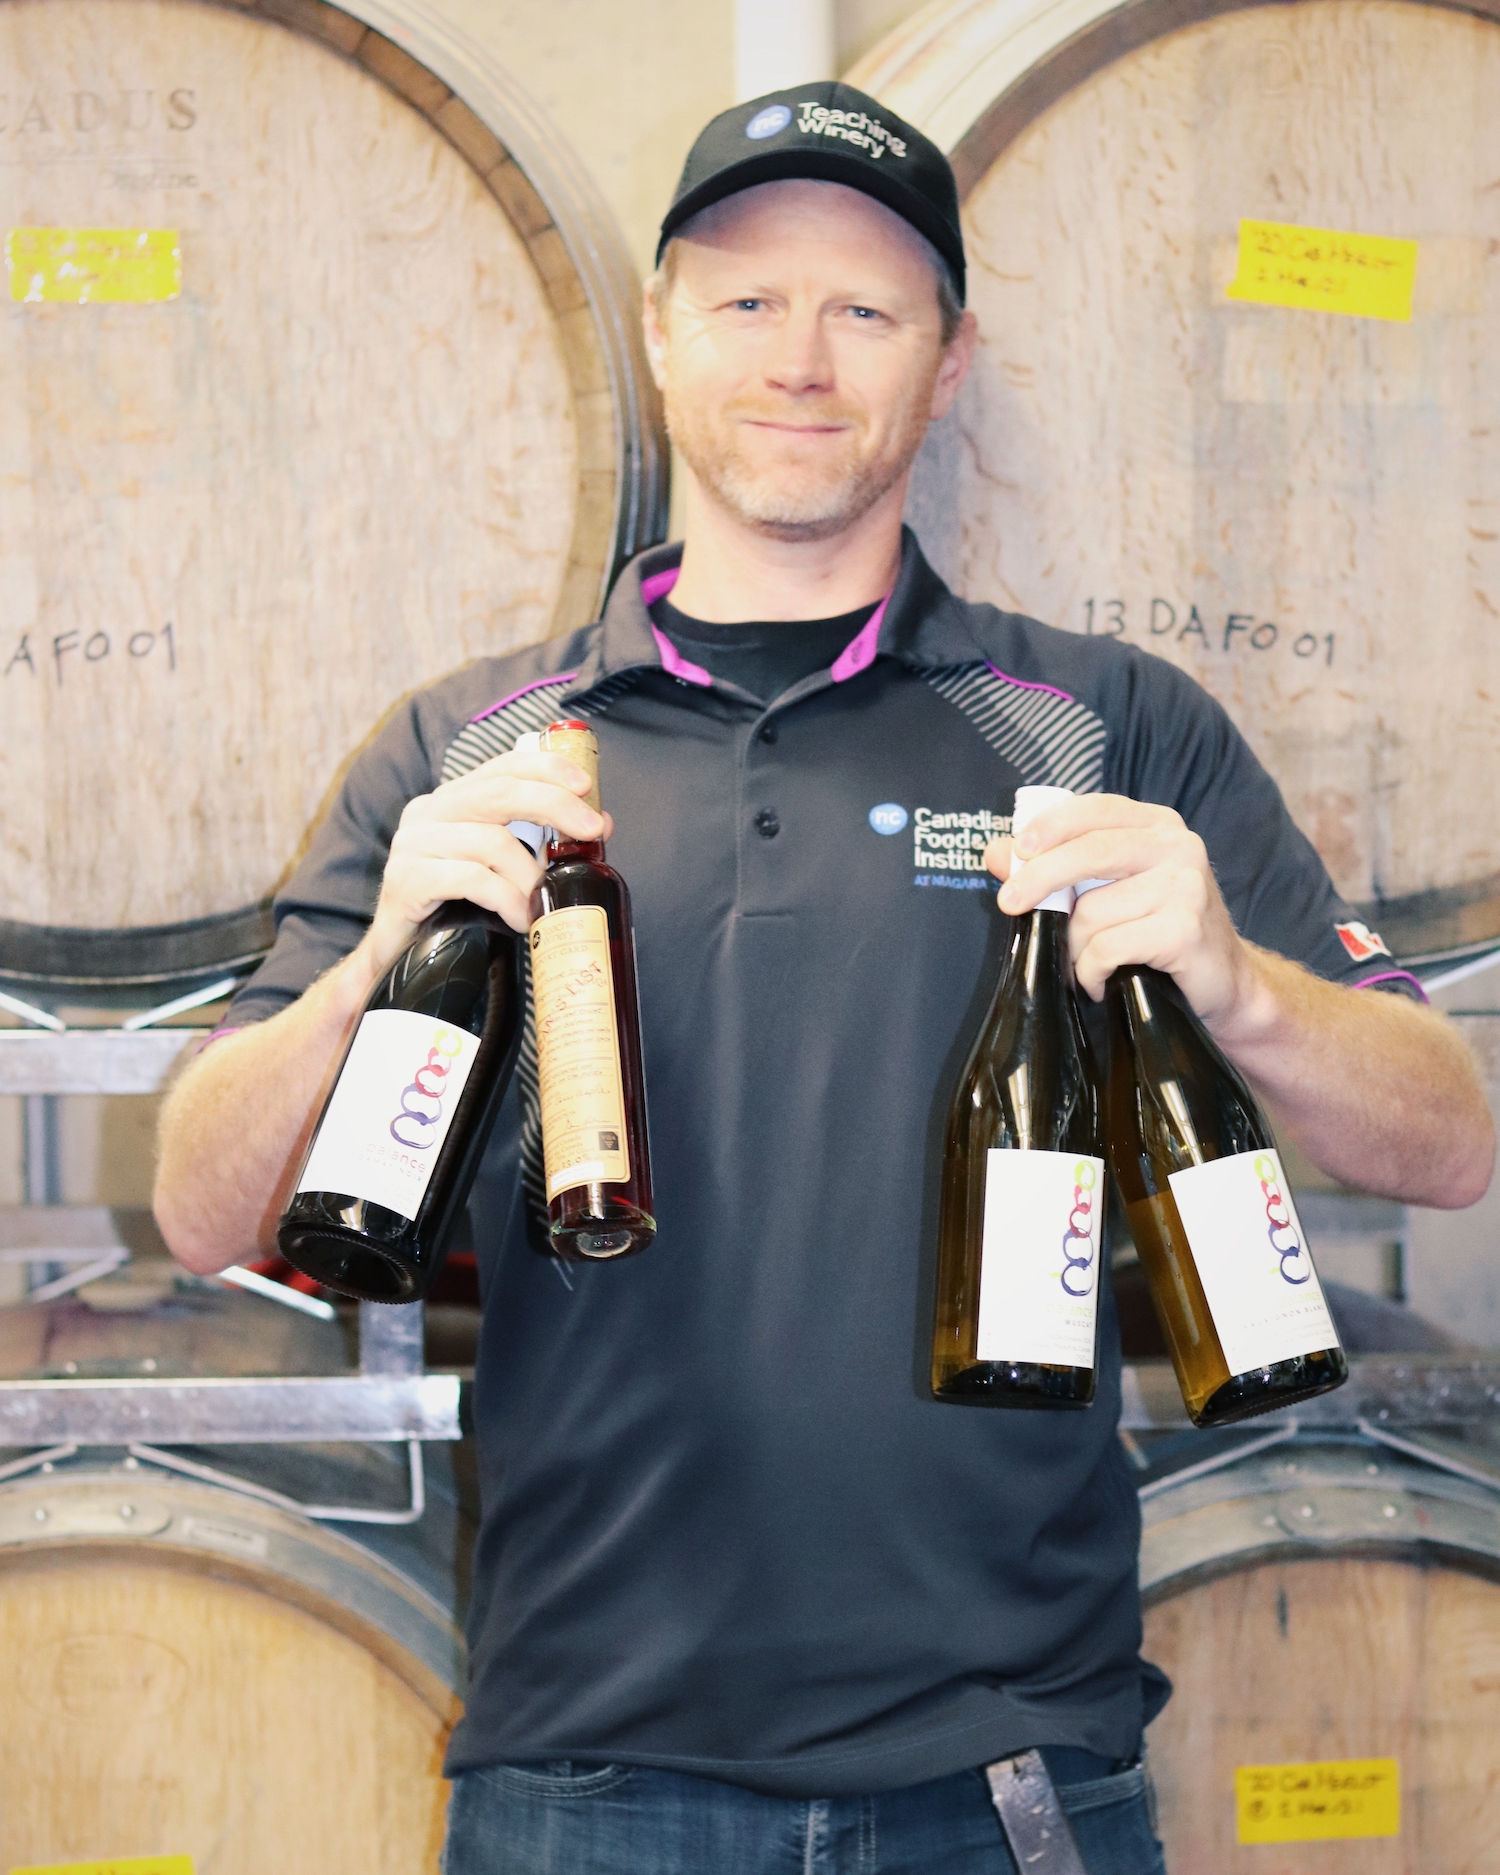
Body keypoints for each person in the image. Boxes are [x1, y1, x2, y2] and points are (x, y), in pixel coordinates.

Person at [153, 82, 1494, 1875]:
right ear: (658, 333)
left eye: (867, 310)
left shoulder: (1103, 729)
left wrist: (1235, 983)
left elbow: (1446, 1139)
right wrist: (377, 970)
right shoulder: (476, 746)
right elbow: (196, 1204)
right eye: (747, 300)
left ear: (945, 366)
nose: (802, 355)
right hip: (586, 1775)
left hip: (1013, 1775)